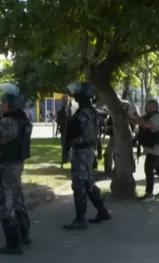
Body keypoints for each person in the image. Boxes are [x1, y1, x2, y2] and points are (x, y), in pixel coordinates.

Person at [0, 83, 32, 255]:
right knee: (18, 200)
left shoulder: (9, 122)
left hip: (6, 165)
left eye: (4, 103)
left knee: (4, 203)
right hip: (17, 164)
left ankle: (13, 244)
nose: (2, 106)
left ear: (9, 105)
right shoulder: (23, 120)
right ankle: (24, 234)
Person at [63, 82, 111, 230]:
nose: (75, 96)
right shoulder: (91, 111)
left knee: (79, 184)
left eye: (78, 94)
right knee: (88, 182)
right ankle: (102, 211)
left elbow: (76, 131)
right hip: (88, 150)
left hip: (82, 151)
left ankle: (80, 218)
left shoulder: (84, 113)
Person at [131, 99, 159, 201]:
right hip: (157, 148)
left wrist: (136, 116)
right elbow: (137, 121)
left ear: (154, 107)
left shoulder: (157, 117)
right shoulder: (149, 116)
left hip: (157, 148)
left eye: (148, 106)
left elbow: (145, 124)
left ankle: (149, 194)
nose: (146, 107)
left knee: (149, 169)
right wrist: (126, 116)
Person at [56, 94, 72, 168]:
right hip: (63, 129)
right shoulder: (61, 109)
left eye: (65, 100)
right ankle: (64, 159)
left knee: (70, 145)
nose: (63, 101)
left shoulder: (71, 108)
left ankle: (70, 159)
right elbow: (59, 119)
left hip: (70, 129)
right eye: (62, 100)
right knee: (63, 144)